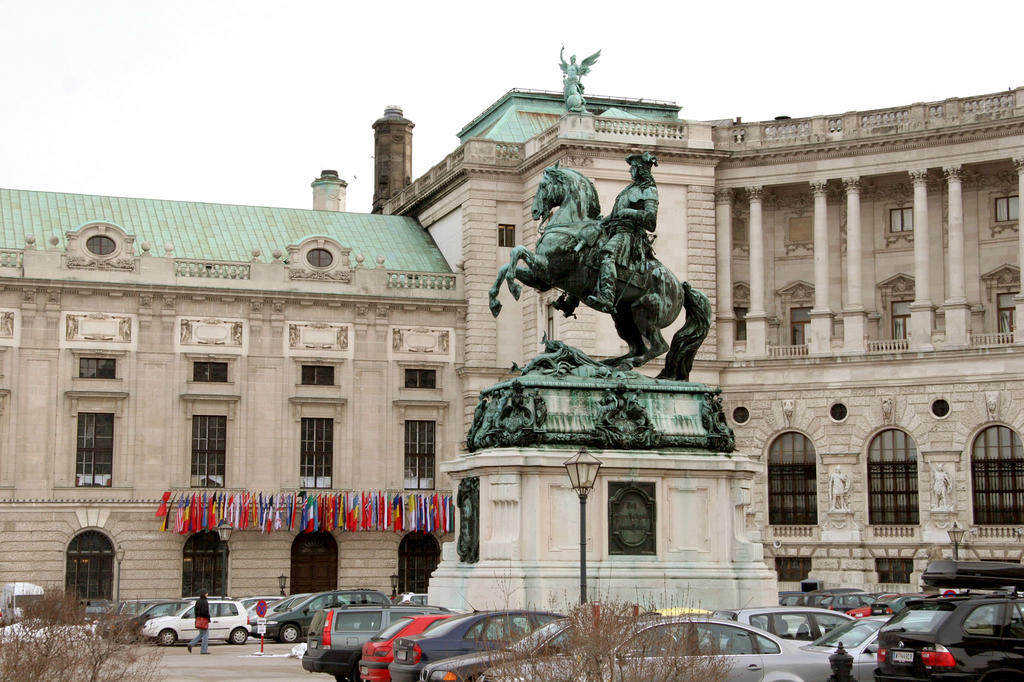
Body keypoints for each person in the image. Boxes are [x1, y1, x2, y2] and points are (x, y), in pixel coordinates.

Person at [586, 152, 659, 312]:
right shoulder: (628, 190)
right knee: (587, 252)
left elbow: (651, 221)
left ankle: (606, 297)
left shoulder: (649, 191)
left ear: (640, 169)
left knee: (607, 254)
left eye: (632, 167)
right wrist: (598, 223)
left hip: (629, 234)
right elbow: (614, 214)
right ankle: (570, 302)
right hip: (614, 230)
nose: (630, 171)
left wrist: (630, 212)